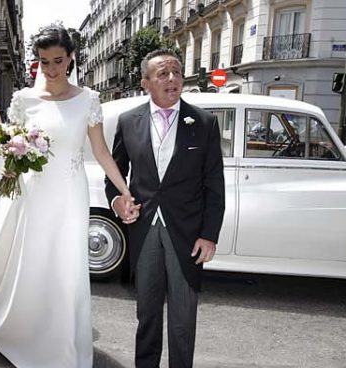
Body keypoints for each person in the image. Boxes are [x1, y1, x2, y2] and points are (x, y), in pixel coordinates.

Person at [0, 25, 133, 367]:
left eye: (58, 61)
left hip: (70, 195)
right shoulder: (24, 99)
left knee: (65, 266)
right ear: (36, 62)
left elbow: (100, 152)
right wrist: (7, 165)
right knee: (35, 263)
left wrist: (125, 191)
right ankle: (29, 336)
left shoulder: (89, 100)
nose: (52, 69)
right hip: (33, 193)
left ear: (71, 58)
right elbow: (7, 149)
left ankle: (64, 344)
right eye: (44, 62)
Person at [105, 48, 226, 367]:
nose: (172, 78)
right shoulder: (129, 121)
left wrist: (209, 235)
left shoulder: (204, 122)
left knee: (183, 318)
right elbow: (115, 174)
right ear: (146, 83)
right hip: (144, 231)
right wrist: (118, 201)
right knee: (146, 314)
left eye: (177, 72)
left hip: (186, 232)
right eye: (163, 73)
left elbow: (215, 184)